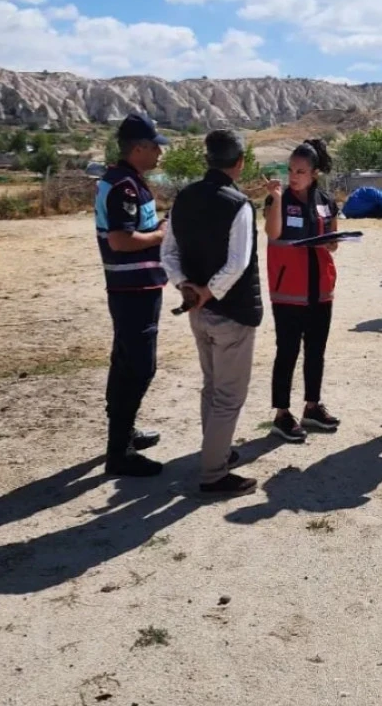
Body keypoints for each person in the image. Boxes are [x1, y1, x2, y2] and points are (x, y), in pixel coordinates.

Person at [160, 128, 261, 497]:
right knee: (229, 395)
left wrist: (186, 286)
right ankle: (214, 472)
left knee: (212, 386)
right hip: (231, 313)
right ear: (240, 163)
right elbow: (238, 263)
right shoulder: (238, 204)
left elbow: (167, 252)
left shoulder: (183, 198)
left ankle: (215, 452)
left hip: (197, 312)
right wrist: (207, 291)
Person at [94, 112, 170, 478]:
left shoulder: (128, 180)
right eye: (156, 146)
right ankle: (119, 451)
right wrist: (161, 235)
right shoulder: (123, 185)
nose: (160, 153)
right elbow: (121, 240)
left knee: (125, 360)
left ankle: (123, 433)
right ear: (139, 148)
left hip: (136, 286)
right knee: (139, 366)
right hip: (132, 287)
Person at [264, 138, 342, 443]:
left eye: (300, 171)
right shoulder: (278, 199)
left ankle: (312, 406)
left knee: (316, 350)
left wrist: (332, 241)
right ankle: (282, 414)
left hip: (321, 287)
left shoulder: (326, 200)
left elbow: (333, 242)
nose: (293, 176)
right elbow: (273, 234)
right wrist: (276, 198)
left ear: (315, 173)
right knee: (287, 351)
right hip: (288, 290)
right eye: (290, 170)